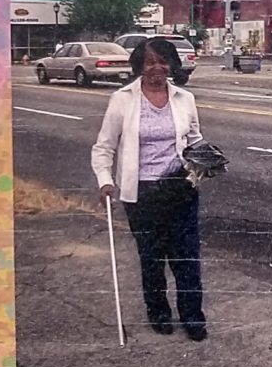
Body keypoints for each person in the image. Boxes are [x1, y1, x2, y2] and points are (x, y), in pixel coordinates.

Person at [89, 36, 210, 339]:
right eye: (150, 62)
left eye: (163, 61)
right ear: (139, 66)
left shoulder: (184, 99)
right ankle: (158, 312)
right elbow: (104, 147)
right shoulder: (123, 99)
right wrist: (105, 180)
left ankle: (193, 317)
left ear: (172, 64)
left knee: (187, 258)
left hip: (180, 188)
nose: (157, 67)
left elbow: (193, 139)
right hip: (141, 194)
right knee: (152, 258)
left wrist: (206, 156)